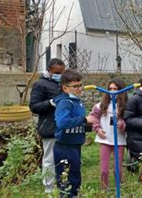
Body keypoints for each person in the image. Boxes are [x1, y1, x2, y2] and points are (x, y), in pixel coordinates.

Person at [53, 69, 92, 197]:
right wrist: (84, 119)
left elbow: (77, 122)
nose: (79, 88)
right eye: (75, 86)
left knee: (75, 179)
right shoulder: (65, 103)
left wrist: (86, 125)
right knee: (65, 181)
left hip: (75, 146)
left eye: (81, 85)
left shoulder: (78, 102)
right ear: (65, 88)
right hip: (64, 147)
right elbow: (62, 123)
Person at [29, 58, 65, 194]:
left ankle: (63, 186)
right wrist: (50, 103)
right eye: (57, 72)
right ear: (49, 70)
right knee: (49, 159)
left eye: (62, 72)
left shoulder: (63, 83)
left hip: (64, 126)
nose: (60, 75)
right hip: (49, 127)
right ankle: (49, 189)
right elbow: (34, 106)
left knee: (64, 158)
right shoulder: (40, 85)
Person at [88, 78, 128, 190]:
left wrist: (122, 124)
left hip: (119, 141)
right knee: (104, 170)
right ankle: (104, 189)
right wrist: (97, 129)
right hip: (105, 140)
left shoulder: (126, 107)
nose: (112, 91)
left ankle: (119, 188)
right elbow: (93, 117)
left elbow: (129, 121)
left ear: (121, 91)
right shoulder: (101, 105)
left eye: (115, 89)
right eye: (110, 89)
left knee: (117, 169)